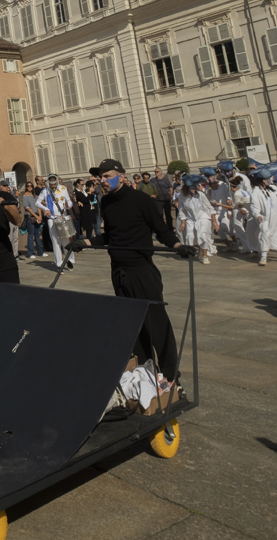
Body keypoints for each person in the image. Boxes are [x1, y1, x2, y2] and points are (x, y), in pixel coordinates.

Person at [84, 159, 192, 385]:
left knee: (157, 324)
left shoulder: (141, 200)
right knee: (131, 325)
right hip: (119, 271)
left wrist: (177, 246)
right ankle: (145, 371)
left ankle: (171, 375)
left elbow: (161, 230)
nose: (102, 181)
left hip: (142, 271)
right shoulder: (107, 202)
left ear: (121, 176)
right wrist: (86, 242)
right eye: (100, 177)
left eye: (107, 176)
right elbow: (111, 235)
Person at [36, 174, 76, 270]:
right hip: (52, 219)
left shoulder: (63, 189)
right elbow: (37, 202)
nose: (53, 185)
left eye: (54, 183)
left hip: (63, 217)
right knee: (55, 241)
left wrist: (68, 205)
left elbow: (69, 201)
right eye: (51, 184)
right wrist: (45, 208)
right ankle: (59, 263)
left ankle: (70, 259)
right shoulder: (45, 191)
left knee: (66, 240)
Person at [248, 172, 277, 266]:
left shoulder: (272, 189)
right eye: (267, 179)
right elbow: (254, 207)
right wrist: (257, 215)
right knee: (265, 235)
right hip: (266, 219)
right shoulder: (256, 192)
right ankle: (263, 257)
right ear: (262, 180)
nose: (269, 181)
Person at [178, 175, 216, 265]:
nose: (193, 190)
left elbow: (210, 208)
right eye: (190, 188)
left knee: (202, 235)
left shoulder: (201, 195)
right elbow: (181, 209)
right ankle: (193, 253)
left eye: (194, 188)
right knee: (189, 236)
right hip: (190, 218)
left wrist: (214, 221)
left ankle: (205, 256)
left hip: (203, 216)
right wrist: (183, 222)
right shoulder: (182, 196)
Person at [20, 182, 45, 259]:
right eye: (28, 186)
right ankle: (31, 253)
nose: (30, 187)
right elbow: (27, 208)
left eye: (31, 186)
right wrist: (36, 216)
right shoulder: (24, 196)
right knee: (31, 235)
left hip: (37, 215)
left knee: (37, 234)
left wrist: (40, 216)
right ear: (26, 187)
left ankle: (40, 252)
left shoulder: (35, 196)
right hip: (30, 217)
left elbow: (38, 206)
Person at [149, 167, 174, 232]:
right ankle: (163, 229)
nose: (156, 173)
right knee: (160, 215)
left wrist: (171, 197)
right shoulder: (152, 180)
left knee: (168, 215)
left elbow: (170, 188)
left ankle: (170, 228)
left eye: (157, 171)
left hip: (166, 200)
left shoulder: (166, 180)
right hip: (158, 200)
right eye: (155, 172)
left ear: (161, 172)